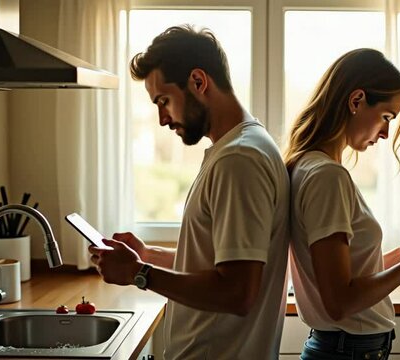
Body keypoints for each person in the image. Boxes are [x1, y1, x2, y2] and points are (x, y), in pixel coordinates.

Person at [88, 25, 290, 359]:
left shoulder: (239, 160)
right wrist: (147, 255)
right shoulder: (241, 148)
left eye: (164, 101)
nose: (162, 119)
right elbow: (218, 263)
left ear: (198, 81)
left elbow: (237, 292)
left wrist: (139, 274)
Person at [283, 48, 400, 360]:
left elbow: (350, 278)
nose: (386, 132)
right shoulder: (327, 177)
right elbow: (339, 302)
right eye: (386, 117)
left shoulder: (307, 166)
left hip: (342, 348)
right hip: (348, 351)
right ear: (356, 101)